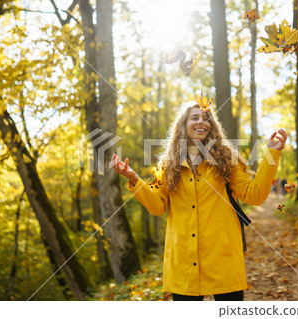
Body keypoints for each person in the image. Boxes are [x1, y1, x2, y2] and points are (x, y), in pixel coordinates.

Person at [110, 102, 287, 301]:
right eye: (195, 117)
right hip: (183, 262)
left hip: (223, 258)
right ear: (183, 125)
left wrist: (272, 152)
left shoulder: (227, 160)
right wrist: (134, 178)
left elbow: (254, 194)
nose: (201, 122)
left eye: (206, 118)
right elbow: (158, 207)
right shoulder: (168, 165)